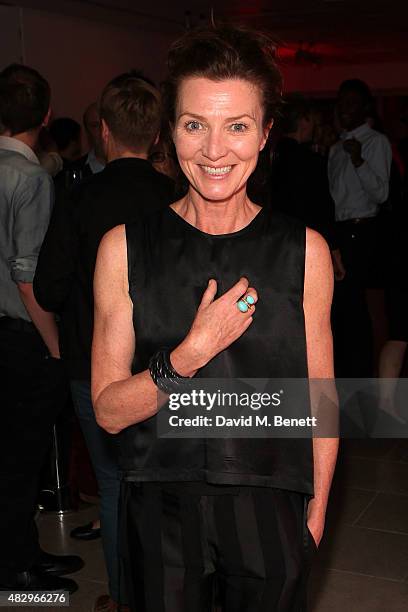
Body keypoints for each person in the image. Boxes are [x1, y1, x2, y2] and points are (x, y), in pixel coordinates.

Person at [92, 25, 337, 612]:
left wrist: (317, 510)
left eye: (237, 126)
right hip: (158, 507)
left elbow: (321, 396)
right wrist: (188, 355)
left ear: (265, 133)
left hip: (269, 501)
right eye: (195, 124)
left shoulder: (304, 252)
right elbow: (107, 410)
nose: (214, 150)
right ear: (169, 130)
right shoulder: (124, 248)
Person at [34, 72, 174, 612]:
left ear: (106, 132)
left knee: (114, 487)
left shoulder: (78, 199)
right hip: (168, 366)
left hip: (92, 367)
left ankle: (123, 598)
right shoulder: (178, 198)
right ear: (158, 135)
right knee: (163, 487)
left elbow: (47, 287)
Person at [0, 64, 83, 593]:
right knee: (21, 457)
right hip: (20, 335)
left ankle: (23, 552)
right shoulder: (29, 178)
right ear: (47, 116)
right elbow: (27, 275)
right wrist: (57, 348)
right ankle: (17, 570)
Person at [328, 79, 392, 377]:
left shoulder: (376, 142)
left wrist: (358, 160)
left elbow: (381, 194)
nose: (344, 109)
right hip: (340, 233)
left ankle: (362, 377)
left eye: (351, 102)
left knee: (358, 311)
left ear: (364, 107)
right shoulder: (335, 147)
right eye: (341, 102)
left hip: (364, 232)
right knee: (340, 309)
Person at [270, 93, 337, 252]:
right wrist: (333, 247)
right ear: (304, 120)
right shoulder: (310, 160)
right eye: (315, 121)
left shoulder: (271, 154)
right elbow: (322, 208)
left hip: (277, 239)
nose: (316, 127)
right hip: (305, 242)